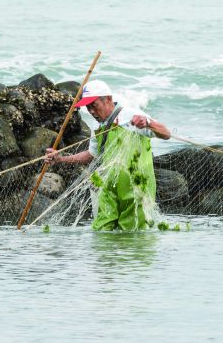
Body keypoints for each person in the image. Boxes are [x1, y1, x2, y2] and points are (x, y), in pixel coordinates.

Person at [45, 79, 170, 231]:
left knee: (133, 235)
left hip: (136, 189)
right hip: (109, 188)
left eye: (94, 105)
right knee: (101, 230)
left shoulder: (131, 115)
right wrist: (61, 158)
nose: (91, 111)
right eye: (88, 107)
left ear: (108, 99)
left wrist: (148, 123)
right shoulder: (98, 126)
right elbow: (91, 154)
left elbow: (166, 134)